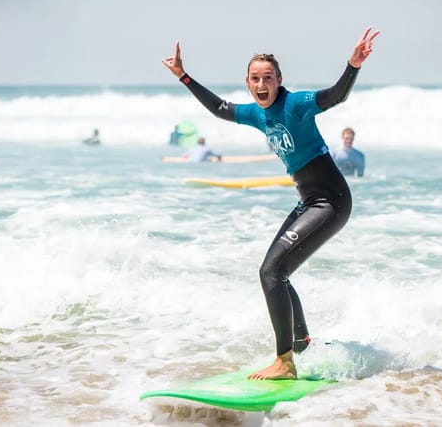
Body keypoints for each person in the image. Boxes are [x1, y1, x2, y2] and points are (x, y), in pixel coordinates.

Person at [162, 27, 380, 380]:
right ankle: (303, 343)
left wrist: (352, 66)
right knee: (277, 273)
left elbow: (334, 96)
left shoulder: (295, 104)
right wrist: (184, 76)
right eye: (255, 79)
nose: (261, 84)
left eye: (268, 78)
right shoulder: (257, 114)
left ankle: (285, 362)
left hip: (331, 200)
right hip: (309, 200)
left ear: (280, 80)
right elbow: (220, 108)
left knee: (271, 273)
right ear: (248, 83)